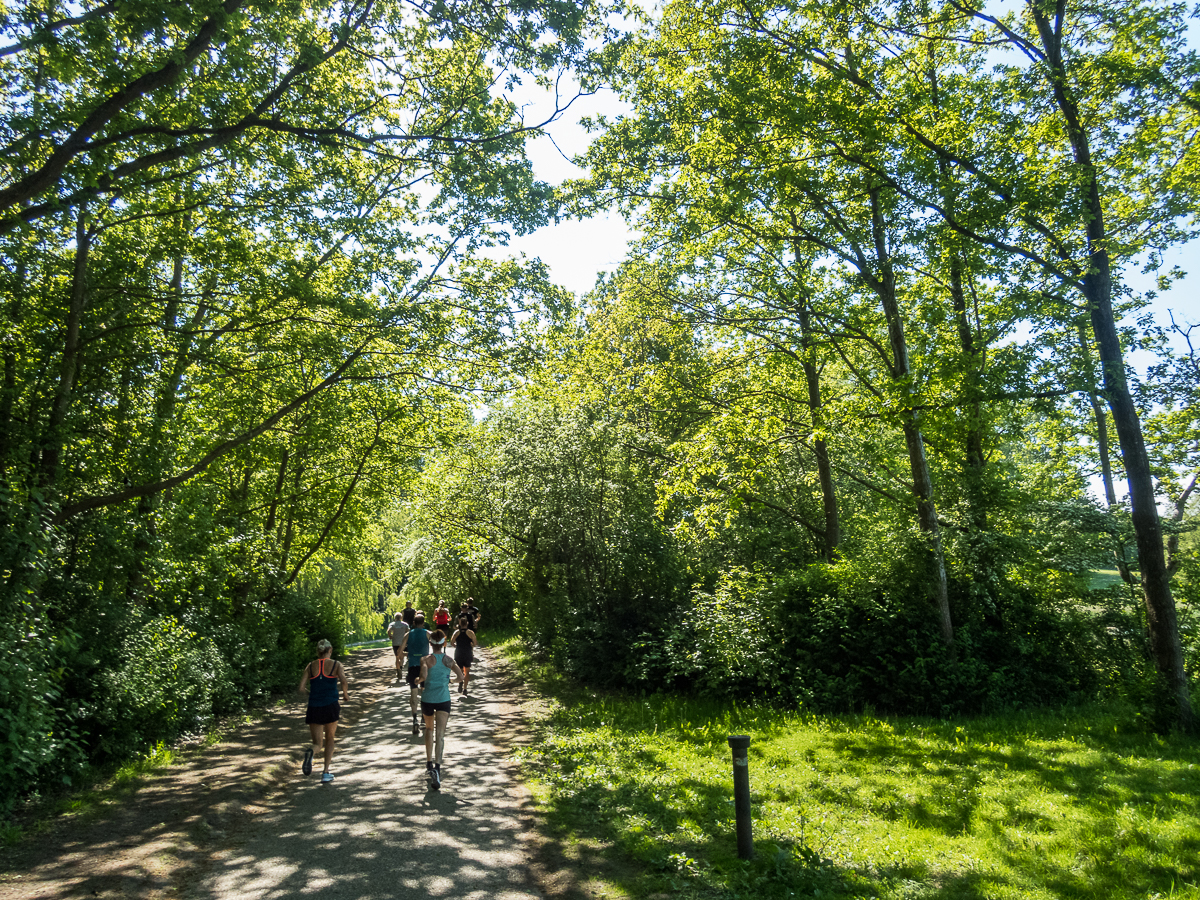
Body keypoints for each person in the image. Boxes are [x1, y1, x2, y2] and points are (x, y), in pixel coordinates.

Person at [299, 639, 351, 784]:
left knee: (317, 743)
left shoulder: (310, 666)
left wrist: (312, 695)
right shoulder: (336, 664)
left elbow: (301, 688)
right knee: (330, 738)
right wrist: (345, 694)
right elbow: (344, 680)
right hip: (330, 705)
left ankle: (311, 752)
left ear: (318, 651)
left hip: (314, 707)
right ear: (330, 650)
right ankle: (325, 772)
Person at [419, 629, 464, 789]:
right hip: (444, 699)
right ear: (444, 643)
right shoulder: (449, 660)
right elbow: (461, 677)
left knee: (429, 730)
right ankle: (437, 768)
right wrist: (449, 681)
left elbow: (423, 676)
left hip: (427, 700)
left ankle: (429, 764)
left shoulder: (425, 659)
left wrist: (419, 679)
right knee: (440, 734)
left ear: (430, 644)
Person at [399, 613, 429, 735]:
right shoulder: (428, 633)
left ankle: (415, 719)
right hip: (424, 666)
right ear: (423, 622)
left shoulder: (408, 634)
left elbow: (399, 653)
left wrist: (409, 655)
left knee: (413, 692)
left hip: (413, 666)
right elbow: (440, 643)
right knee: (424, 691)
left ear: (414, 623)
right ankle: (424, 716)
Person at [450, 615, 477, 695]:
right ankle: (465, 689)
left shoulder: (456, 632)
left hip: (459, 652)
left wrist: (456, 646)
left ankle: (460, 683)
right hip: (467, 653)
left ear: (460, 623)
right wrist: (471, 646)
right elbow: (475, 643)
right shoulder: (470, 632)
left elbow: (452, 642)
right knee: (467, 672)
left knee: (460, 671)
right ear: (467, 623)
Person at [386, 613, 409, 681]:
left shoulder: (392, 624)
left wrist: (390, 636)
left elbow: (389, 630)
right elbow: (408, 631)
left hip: (395, 642)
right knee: (402, 656)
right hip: (403, 643)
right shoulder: (405, 624)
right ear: (401, 618)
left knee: (397, 657)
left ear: (395, 618)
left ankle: (398, 670)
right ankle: (401, 667)